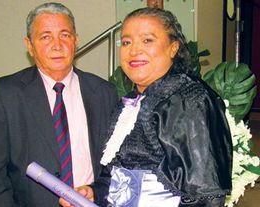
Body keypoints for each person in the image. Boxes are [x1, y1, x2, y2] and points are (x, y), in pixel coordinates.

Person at [60, 7, 232, 207]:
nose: (134, 50)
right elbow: (115, 176)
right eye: (126, 42)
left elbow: (207, 195)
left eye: (147, 40)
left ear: (173, 47)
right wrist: (93, 192)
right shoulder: (129, 103)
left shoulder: (187, 100)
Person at [0, 2, 118, 207]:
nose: (57, 45)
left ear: (76, 40)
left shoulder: (104, 92)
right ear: (29, 45)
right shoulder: (6, 94)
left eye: (65, 35)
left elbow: (114, 164)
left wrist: (95, 191)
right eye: (45, 37)